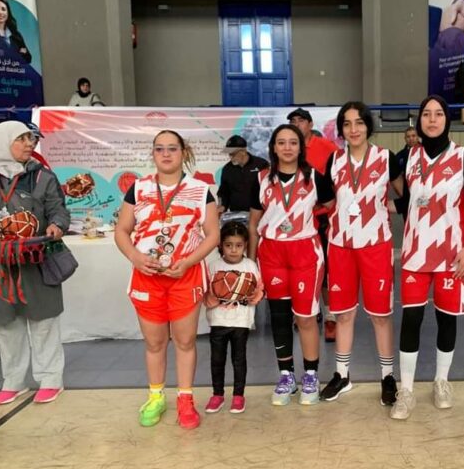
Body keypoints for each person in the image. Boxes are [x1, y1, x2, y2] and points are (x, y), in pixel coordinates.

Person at [114, 129, 220, 430]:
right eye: (159, 148)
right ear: (153, 154)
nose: (165, 154)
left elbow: (213, 235)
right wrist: (135, 256)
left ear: (183, 152)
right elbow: (122, 230)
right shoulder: (138, 188)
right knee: (154, 342)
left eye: (172, 148)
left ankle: (185, 399)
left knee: (185, 341)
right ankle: (156, 397)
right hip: (147, 277)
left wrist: (188, 261)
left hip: (185, 276)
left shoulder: (201, 190)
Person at [390, 95, 464, 420]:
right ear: (419, 121)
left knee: (447, 318)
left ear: (447, 119)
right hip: (415, 253)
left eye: (438, 113)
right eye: (426, 114)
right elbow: (407, 202)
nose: (432, 119)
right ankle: (406, 390)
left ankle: (441, 381)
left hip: (452, 253)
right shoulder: (409, 157)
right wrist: (372, 207)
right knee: (411, 319)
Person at [0, 121, 70, 404]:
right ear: (2, 142)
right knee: (6, 324)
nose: (30, 144)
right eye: (22, 138)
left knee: (44, 321)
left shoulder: (43, 177)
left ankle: (50, 379)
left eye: (31, 138)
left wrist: (56, 226)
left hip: (35, 259)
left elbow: (59, 211)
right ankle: (13, 381)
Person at [318, 102, 404, 406]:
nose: (353, 129)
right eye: (347, 124)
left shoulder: (385, 158)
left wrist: (384, 207)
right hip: (341, 245)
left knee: (381, 315)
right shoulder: (334, 160)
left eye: (359, 123)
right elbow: (328, 199)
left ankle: (387, 377)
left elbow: (405, 194)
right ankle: (342, 375)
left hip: (376, 245)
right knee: (343, 313)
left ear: (368, 125)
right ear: (341, 129)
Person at [247, 124, 335, 406]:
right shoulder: (261, 179)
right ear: (273, 147)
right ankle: (286, 376)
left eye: (293, 142)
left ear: (301, 147)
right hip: (271, 253)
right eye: (281, 142)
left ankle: (310, 375)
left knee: (306, 317)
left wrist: (307, 218)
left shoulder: (315, 177)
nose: (287, 147)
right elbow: (253, 223)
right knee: (280, 317)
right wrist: (251, 262)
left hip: (304, 252)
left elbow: (330, 204)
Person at [287, 107, 338, 341]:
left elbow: (339, 181)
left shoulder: (327, 148)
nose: (296, 124)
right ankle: (303, 313)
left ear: (310, 124)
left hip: (323, 218)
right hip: (295, 221)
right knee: (298, 269)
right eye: (293, 121)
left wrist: (324, 207)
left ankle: (330, 318)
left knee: (325, 270)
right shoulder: (289, 150)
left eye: (301, 120)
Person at [204, 221, 264, 415]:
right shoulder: (213, 266)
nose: (233, 250)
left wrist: (255, 296)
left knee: (239, 359)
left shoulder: (250, 266)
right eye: (228, 245)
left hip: (241, 321)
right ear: (221, 244)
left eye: (238, 245)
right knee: (217, 360)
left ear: (245, 245)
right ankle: (217, 394)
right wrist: (211, 298)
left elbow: (259, 289)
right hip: (218, 320)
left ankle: (239, 395)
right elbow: (205, 292)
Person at [216, 135, 269, 218]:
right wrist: (222, 206)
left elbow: (270, 189)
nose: (231, 157)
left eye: (233, 154)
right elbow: (223, 192)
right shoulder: (227, 169)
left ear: (244, 151)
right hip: (236, 216)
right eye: (229, 154)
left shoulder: (261, 164)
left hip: (260, 216)